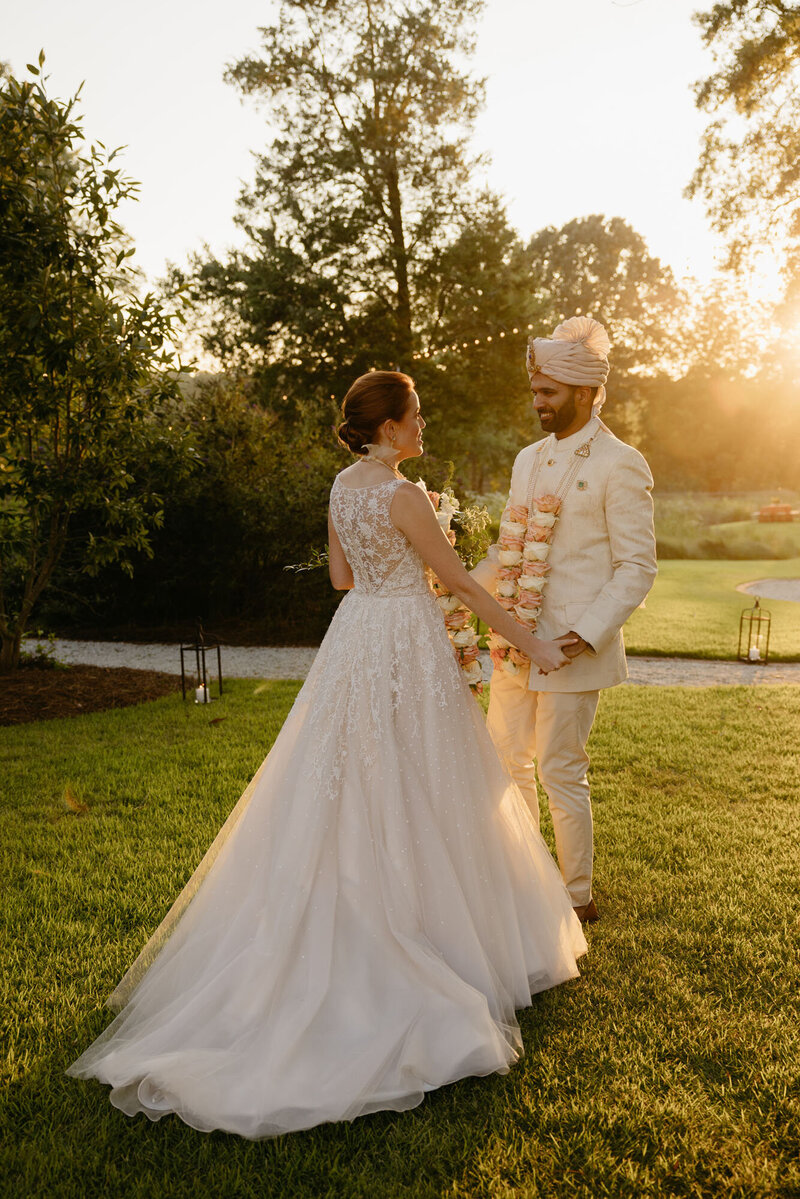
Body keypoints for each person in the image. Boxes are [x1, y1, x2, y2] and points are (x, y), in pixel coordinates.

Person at [67, 370, 586, 1140]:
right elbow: (461, 590)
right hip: (405, 640)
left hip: (357, 641)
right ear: (392, 426)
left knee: (350, 782)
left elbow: (342, 578)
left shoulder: (344, 485)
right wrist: (537, 643)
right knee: (424, 780)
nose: (424, 425)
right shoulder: (407, 496)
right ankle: (429, 941)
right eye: (417, 416)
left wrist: (391, 574)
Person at [472, 317, 657, 923]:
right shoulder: (527, 459)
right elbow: (512, 548)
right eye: (535, 391)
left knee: (559, 771)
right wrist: (447, 585)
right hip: (516, 640)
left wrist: (580, 638)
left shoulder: (621, 463)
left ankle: (575, 897)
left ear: (585, 392)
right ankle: (526, 882)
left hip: (575, 649)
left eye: (548, 392)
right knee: (507, 761)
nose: (537, 403)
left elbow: (637, 566)